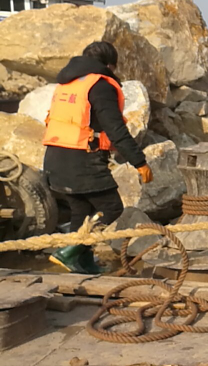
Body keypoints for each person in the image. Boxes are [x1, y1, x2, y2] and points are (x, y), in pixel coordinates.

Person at [42, 41, 153, 274]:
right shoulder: (100, 85)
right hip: (81, 159)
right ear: (110, 65)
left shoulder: (68, 82)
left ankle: (82, 263)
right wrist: (139, 162)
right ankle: (69, 251)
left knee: (81, 213)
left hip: (55, 158)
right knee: (111, 207)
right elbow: (116, 130)